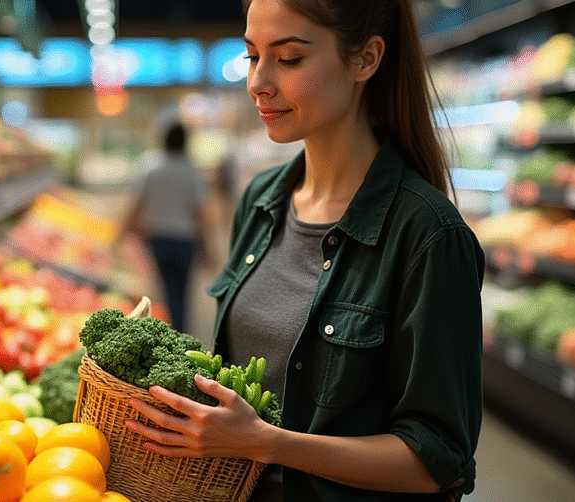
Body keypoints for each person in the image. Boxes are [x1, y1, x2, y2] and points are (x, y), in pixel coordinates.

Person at [126, 0, 484, 501]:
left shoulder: (428, 236)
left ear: (366, 59)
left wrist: (268, 443)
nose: (258, 83)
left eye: (289, 59)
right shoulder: (262, 201)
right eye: (253, 56)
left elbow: (438, 459)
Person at [118, 121, 210, 335]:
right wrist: (208, 247)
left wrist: (121, 234)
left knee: (164, 290)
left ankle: (168, 332)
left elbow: (136, 203)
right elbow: (200, 213)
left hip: (158, 239)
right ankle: (180, 334)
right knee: (182, 293)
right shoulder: (192, 171)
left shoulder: (150, 165)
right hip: (187, 241)